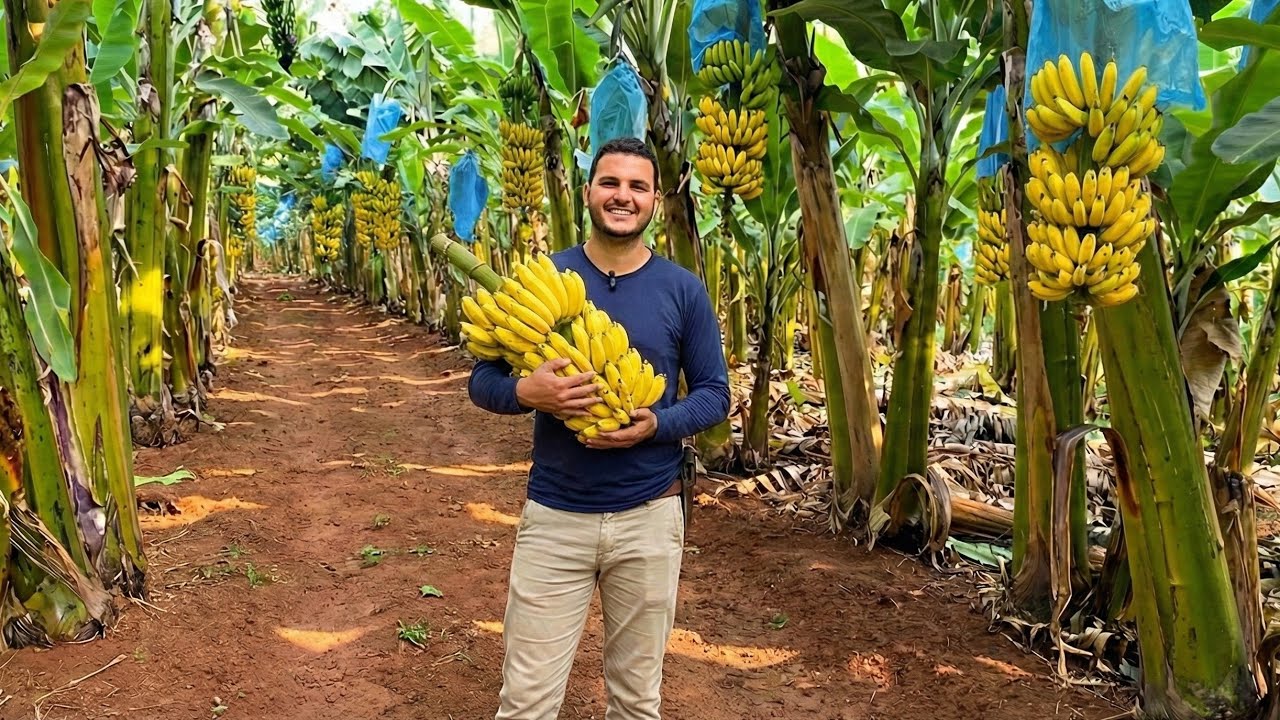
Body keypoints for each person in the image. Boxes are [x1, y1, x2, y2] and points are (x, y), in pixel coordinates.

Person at [467, 136, 731, 720]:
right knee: (526, 701)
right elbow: (480, 380)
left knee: (637, 702)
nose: (622, 196)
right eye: (610, 183)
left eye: (638, 187)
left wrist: (655, 425)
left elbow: (715, 395)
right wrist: (524, 392)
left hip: (649, 517)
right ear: (588, 193)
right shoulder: (546, 279)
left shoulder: (682, 290)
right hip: (556, 516)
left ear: (655, 201)